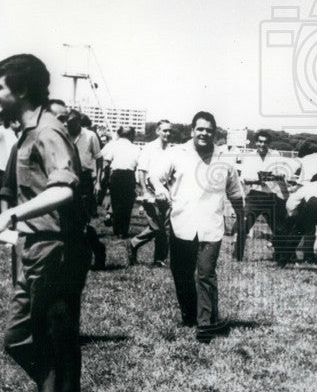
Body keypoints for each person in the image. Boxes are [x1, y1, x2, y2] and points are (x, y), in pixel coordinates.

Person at [0, 53, 97, 392]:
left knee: (54, 347)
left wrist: (10, 216)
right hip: (35, 251)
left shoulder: (48, 131)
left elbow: (64, 190)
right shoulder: (26, 132)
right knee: (18, 340)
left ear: (20, 90)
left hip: (56, 251)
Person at [149, 111, 244, 341]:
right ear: (192, 131)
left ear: (214, 133)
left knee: (206, 273)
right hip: (181, 222)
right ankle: (190, 315)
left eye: (209, 130)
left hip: (211, 225)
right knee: (181, 273)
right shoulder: (176, 153)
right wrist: (161, 190)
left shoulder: (224, 160)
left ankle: (205, 324)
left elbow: (235, 192)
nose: (204, 133)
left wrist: (242, 219)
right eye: (200, 129)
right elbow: (155, 176)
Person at [236, 129, 293, 262]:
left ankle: (281, 257)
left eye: (265, 142)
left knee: (279, 229)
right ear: (256, 142)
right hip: (254, 195)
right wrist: (258, 180)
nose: (262, 145)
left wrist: (279, 175)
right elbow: (244, 179)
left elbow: (283, 173)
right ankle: (237, 257)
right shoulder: (249, 156)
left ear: (269, 143)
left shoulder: (276, 155)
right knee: (243, 226)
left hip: (271, 196)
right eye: (260, 141)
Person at [127, 119, 174, 267]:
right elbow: (141, 171)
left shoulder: (171, 150)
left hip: (165, 190)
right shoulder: (149, 148)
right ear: (158, 131)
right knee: (156, 226)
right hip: (150, 189)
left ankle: (159, 259)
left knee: (165, 227)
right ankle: (134, 243)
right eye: (165, 130)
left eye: (170, 131)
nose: (168, 133)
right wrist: (145, 192)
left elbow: (170, 174)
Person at [65, 111, 107, 270]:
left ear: (79, 121)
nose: (70, 126)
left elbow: (99, 158)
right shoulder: (62, 136)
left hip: (85, 179)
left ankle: (98, 251)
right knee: (67, 220)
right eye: (67, 123)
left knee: (83, 221)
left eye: (73, 122)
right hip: (67, 177)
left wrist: (98, 182)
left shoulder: (90, 136)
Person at [100, 126, 139, 238]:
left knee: (116, 202)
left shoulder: (113, 145)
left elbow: (105, 160)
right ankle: (123, 231)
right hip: (129, 175)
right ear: (131, 135)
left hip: (116, 175)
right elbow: (137, 164)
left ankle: (117, 230)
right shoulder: (135, 148)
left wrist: (106, 176)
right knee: (127, 204)